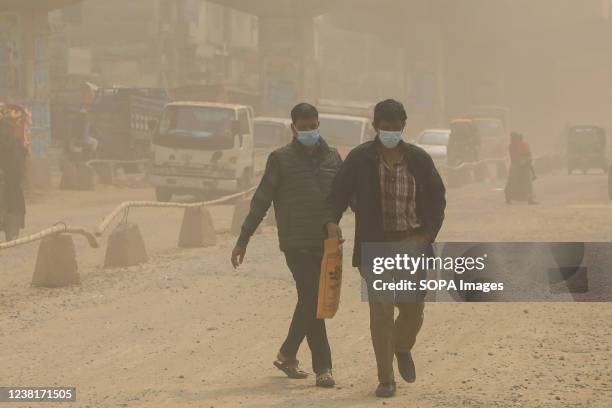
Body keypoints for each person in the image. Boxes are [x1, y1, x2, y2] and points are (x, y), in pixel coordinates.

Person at [326, 99, 446, 398]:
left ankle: (402, 347)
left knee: (412, 311)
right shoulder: (359, 159)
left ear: (404, 126)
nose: (390, 132)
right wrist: (331, 222)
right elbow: (337, 194)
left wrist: (427, 235)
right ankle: (385, 377)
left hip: (412, 244)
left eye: (396, 128)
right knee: (380, 311)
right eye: (384, 128)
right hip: (375, 246)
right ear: (375, 126)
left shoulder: (419, 159)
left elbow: (437, 200)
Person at [230, 103, 342, 388]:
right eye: (303, 127)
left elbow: (343, 198)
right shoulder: (280, 159)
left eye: (313, 126)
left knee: (312, 300)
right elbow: (262, 200)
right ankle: (323, 368)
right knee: (313, 299)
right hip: (295, 242)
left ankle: (287, 354)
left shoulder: (332, 157)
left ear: (319, 125)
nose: (309, 131)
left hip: (326, 244)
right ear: (293, 128)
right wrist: (243, 239)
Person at [0, 120, 27, 241]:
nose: (6, 131)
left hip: (13, 180)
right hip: (9, 179)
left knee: (13, 203)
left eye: (8, 129)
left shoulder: (16, 143)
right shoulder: (14, 142)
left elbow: (22, 159)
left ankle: (11, 229)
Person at [504, 132, 537, 204]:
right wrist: (532, 171)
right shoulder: (519, 145)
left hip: (518, 165)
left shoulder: (514, 145)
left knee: (514, 182)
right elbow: (527, 157)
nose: (512, 140)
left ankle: (508, 198)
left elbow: (527, 156)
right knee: (525, 183)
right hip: (520, 165)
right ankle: (529, 199)